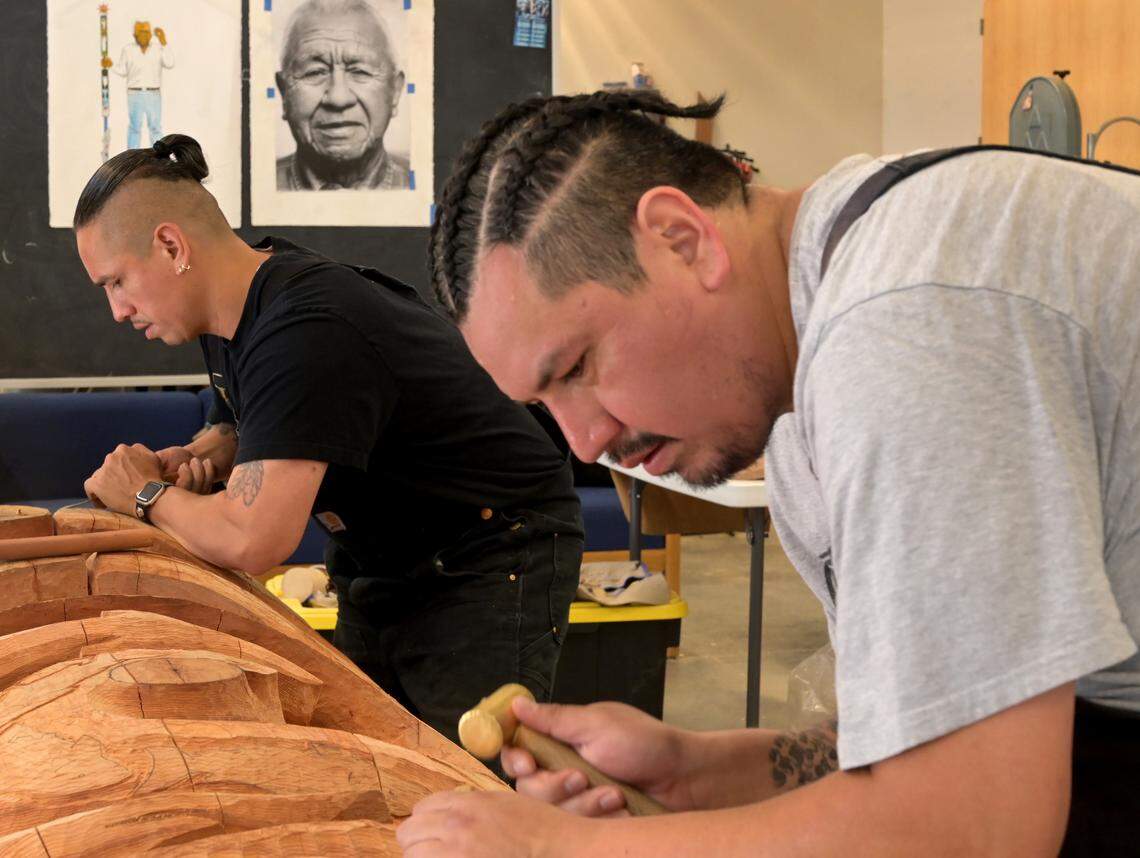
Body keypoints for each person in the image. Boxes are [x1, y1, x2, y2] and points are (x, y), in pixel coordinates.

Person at [396, 90, 1140, 855]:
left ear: (682, 240)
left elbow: (974, 827)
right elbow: (943, 737)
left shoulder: (909, 322)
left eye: (580, 365)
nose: (584, 442)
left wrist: (557, 848)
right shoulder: (809, 376)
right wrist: (703, 770)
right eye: (546, 403)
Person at [74, 134, 583, 742]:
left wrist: (146, 497)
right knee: (379, 761)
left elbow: (255, 537)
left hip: (489, 549)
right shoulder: (230, 311)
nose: (117, 311)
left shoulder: (304, 327)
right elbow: (247, 419)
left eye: (116, 282)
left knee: (468, 794)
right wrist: (202, 454)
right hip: (383, 556)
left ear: (170, 245)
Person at [275, 0, 409, 191]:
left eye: (360, 71)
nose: (338, 99)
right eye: (314, 72)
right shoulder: (263, 186)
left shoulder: (420, 186)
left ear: (395, 92)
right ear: (283, 93)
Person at [106, 20, 174, 150]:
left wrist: (164, 41)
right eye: (141, 32)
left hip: (153, 93)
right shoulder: (128, 49)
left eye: (147, 32)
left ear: (150, 34)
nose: (144, 35)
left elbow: (170, 63)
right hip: (134, 93)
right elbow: (122, 70)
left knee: (155, 127)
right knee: (135, 127)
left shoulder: (158, 49)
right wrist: (110, 64)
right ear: (135, 35)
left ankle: (159, 156)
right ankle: (132, 156)